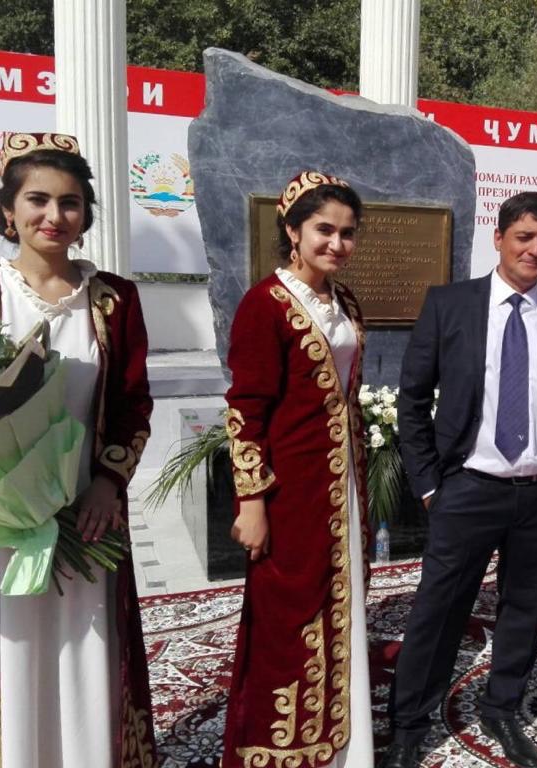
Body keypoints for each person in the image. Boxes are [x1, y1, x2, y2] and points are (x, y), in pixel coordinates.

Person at [0, 132, 157, 767]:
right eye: (37, 200)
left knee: (84, 644)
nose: (54, 215)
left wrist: (108, 484)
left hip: (84, 513)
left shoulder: (114, 299)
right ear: (7, 210)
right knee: (5, 647)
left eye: (70, 202)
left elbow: (132, 404)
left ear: (85, 213)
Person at [381, 192, 537, 768]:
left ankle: (501, 708)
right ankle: (409, 724)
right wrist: (430, 484)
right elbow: (412, 398)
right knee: (439, 608)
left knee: (525, 607)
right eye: (525, 237)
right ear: (499, 238)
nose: (535, 250)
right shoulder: (450, 304)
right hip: (468, 489)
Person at [221, 170, 373, 767]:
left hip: (341, 488)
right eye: (323, 230)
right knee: (289, 614)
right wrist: (252, 502)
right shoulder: (265, 304)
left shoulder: (344, 300)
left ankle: (342, 744)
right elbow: (246, 409)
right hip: (289, 491)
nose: (337, 243)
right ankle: (281, 747)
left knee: (341, 604)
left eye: (347, 233)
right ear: (292, 231)